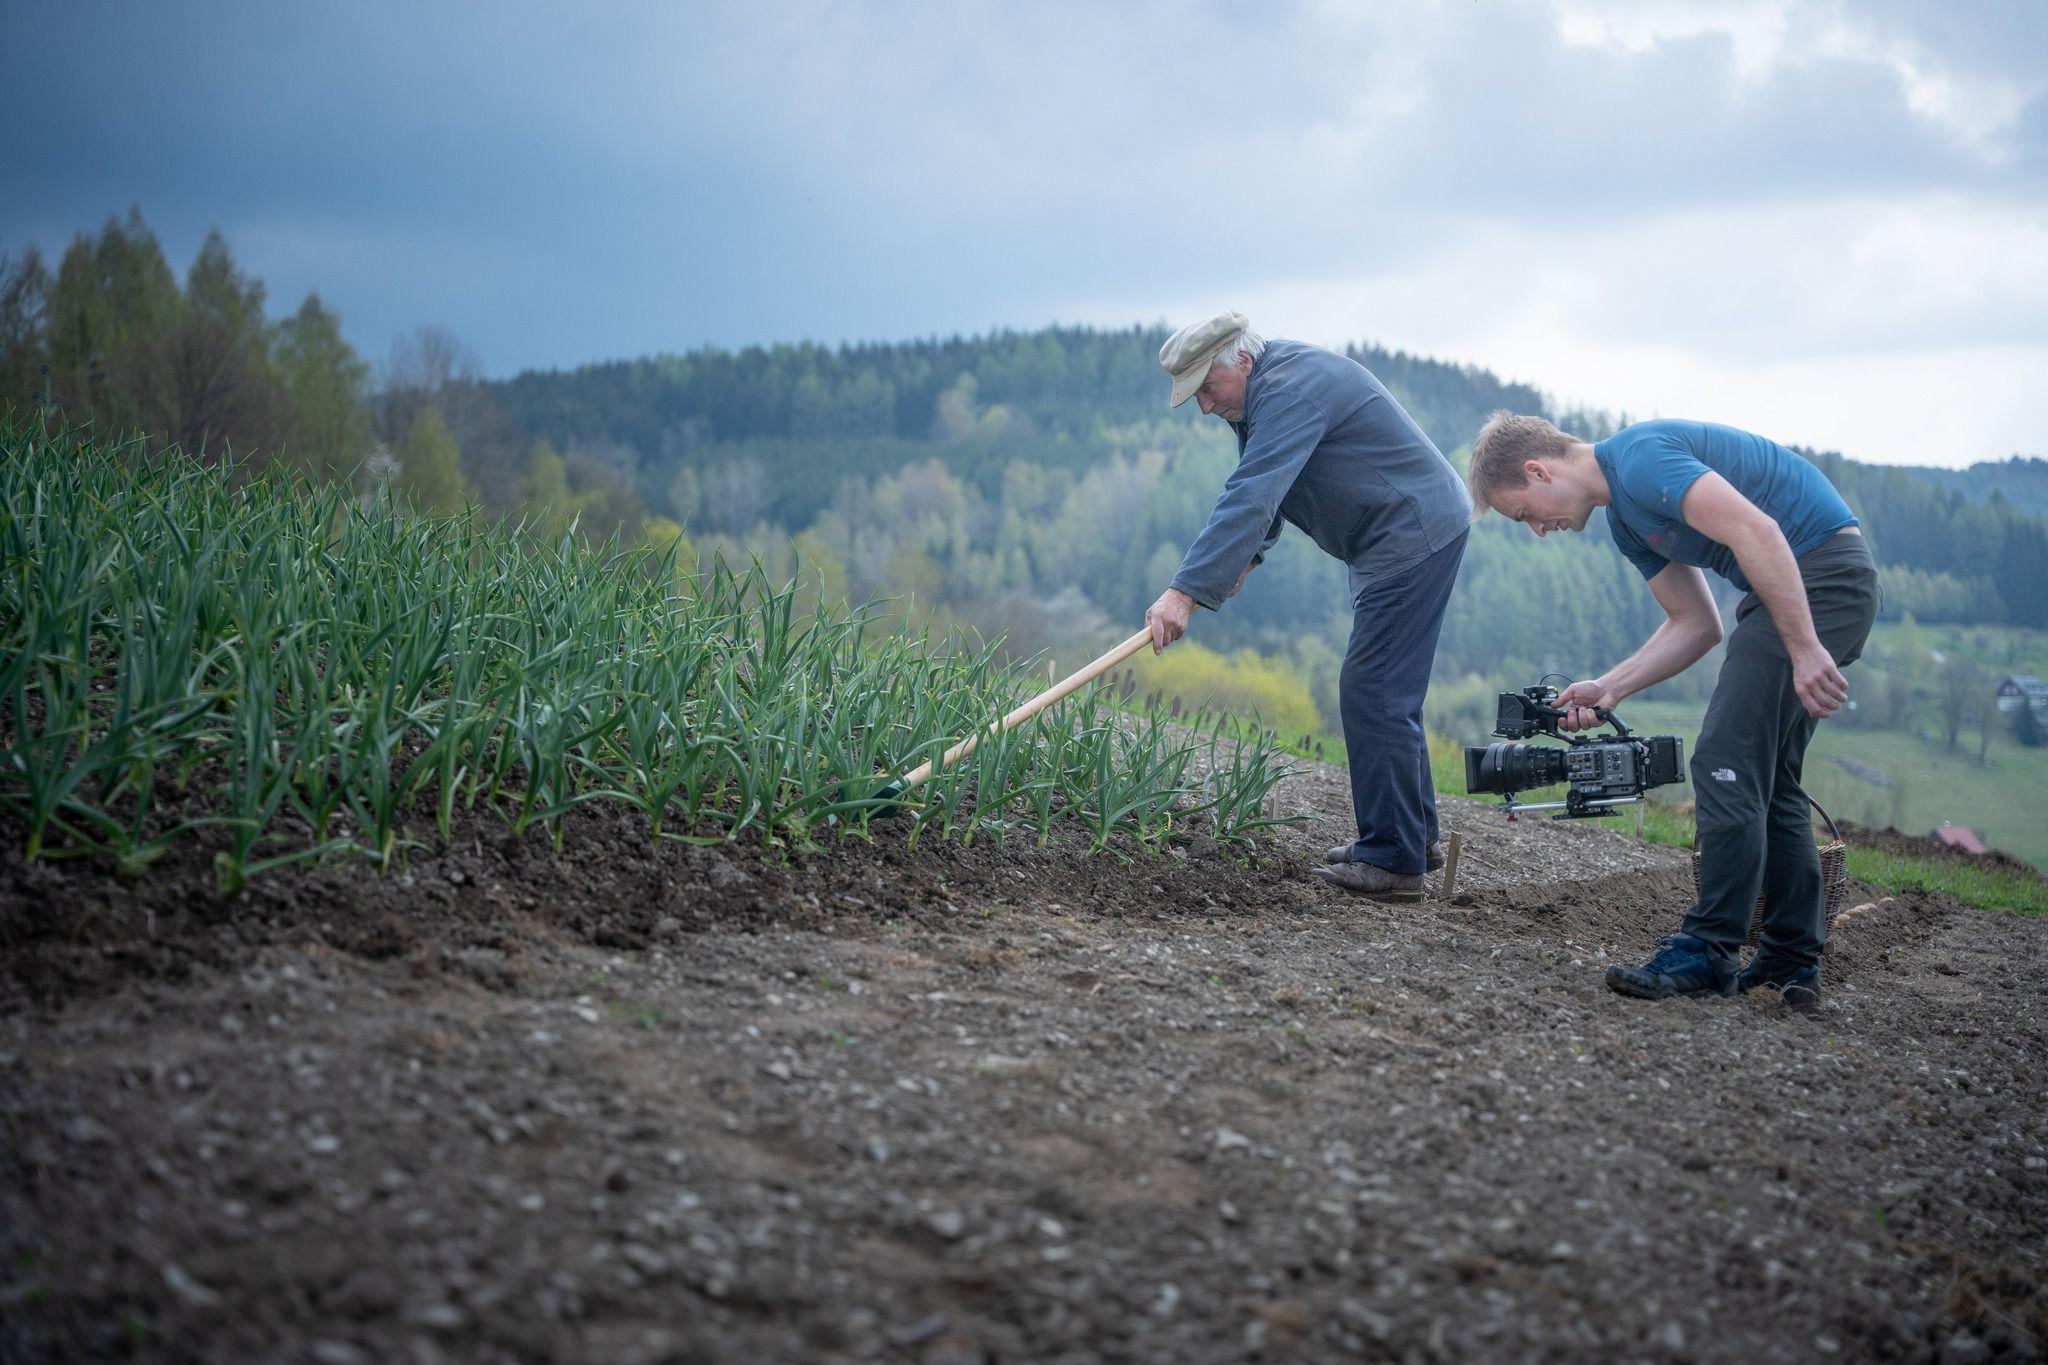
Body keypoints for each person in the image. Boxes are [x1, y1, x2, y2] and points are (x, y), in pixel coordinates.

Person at [1465, 413, 1879, 1009]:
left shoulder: (1639, 459)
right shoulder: (1629, 522)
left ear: (1538, 470)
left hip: (1819, 576)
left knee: (1724, 759)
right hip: (1808, 583)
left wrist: (1806, 646)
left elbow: (1757, 532)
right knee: (1768, 775)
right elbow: (1697, 623)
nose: (1537, 530)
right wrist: (1610, 687)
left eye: (1523, 513)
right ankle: (1790, 960)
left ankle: (1709, 949)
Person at [1144, 311, 1470, 902]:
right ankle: (1411, 838)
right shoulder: (1267, 388)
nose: (1205, 408)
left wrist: (1185, 591)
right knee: (1387, 690)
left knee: (1373, 690)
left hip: (1411, 533)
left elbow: (1254, 490)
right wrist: (1244, 559)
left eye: (1207, 390)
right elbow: (1273, 484)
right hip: (1405, 531)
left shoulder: (1290, 388)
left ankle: (1393, 859)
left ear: (1239, 361)